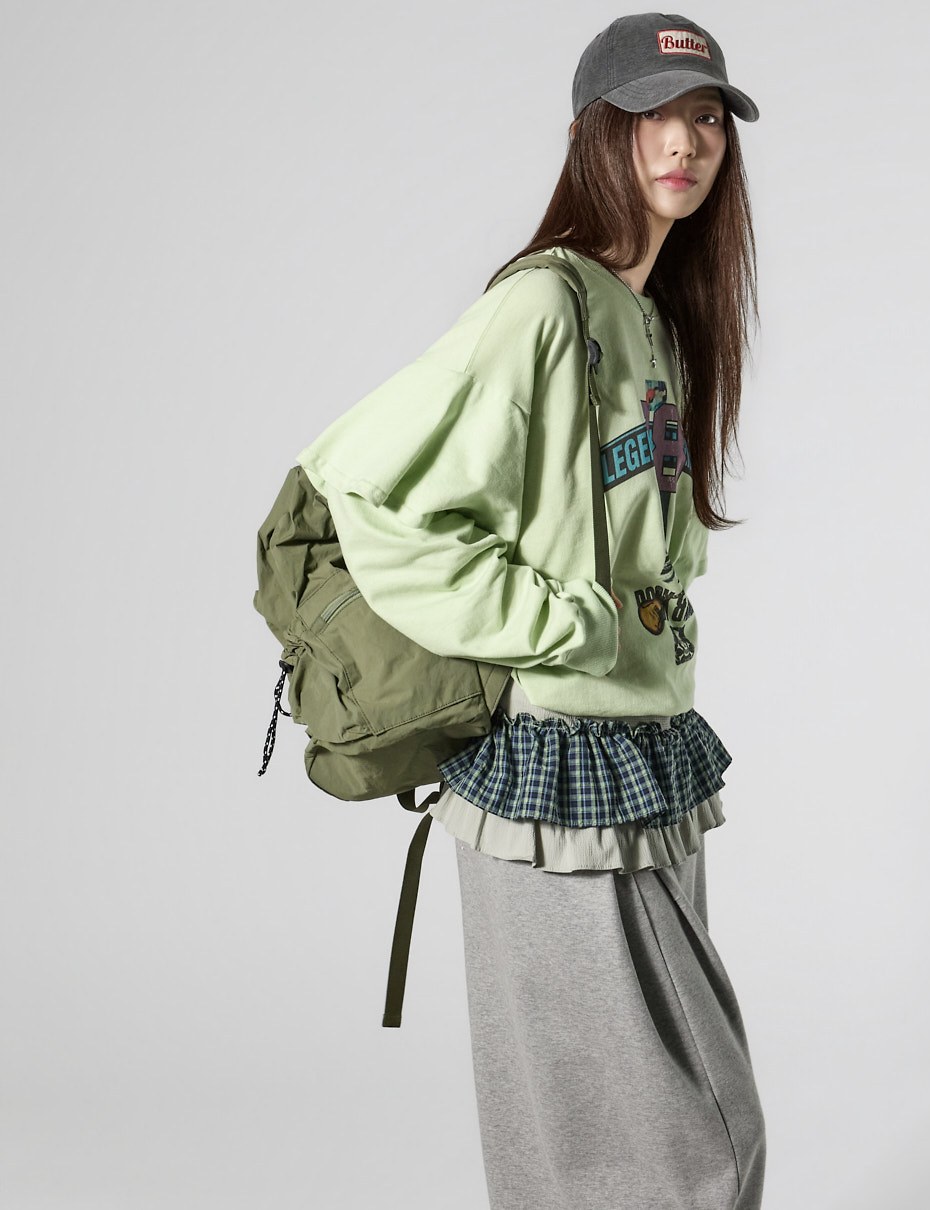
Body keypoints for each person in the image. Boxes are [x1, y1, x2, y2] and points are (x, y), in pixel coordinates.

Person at [296, 12, 767, 1209]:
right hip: (555, 762)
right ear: (593, 134)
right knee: (665, 1145)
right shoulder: (543, 305)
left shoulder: (654, 319)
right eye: (653, 114)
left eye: (706, 117)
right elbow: (364, 488)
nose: (685, 141)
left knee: (612, 1137)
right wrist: (562, 625)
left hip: (647, 753)